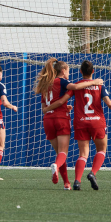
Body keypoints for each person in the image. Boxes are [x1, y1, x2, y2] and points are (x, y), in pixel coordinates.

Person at [43, 60, 111, 191]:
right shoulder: (99, 85)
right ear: (93, 71)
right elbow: (108, 102)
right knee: (102, 150)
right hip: (97, 121)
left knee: (83, 154)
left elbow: (63, 100)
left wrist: (47, 109)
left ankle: (77, 181)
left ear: (80, 71)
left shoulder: (76, 85)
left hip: (80, 122)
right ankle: (92, 173)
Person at [35, 58, 103, 190]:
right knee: (63, 153)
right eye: (68, 71)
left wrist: (60, 108)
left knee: (60, 153)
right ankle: (56, 166)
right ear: (63, 70)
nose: (69, 74)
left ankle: (66, 183)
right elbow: (76, 87)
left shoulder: (45, 84)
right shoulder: (62, 81)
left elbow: (45, 106)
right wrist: (95, 82)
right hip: (61, 119)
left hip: (48, 120)